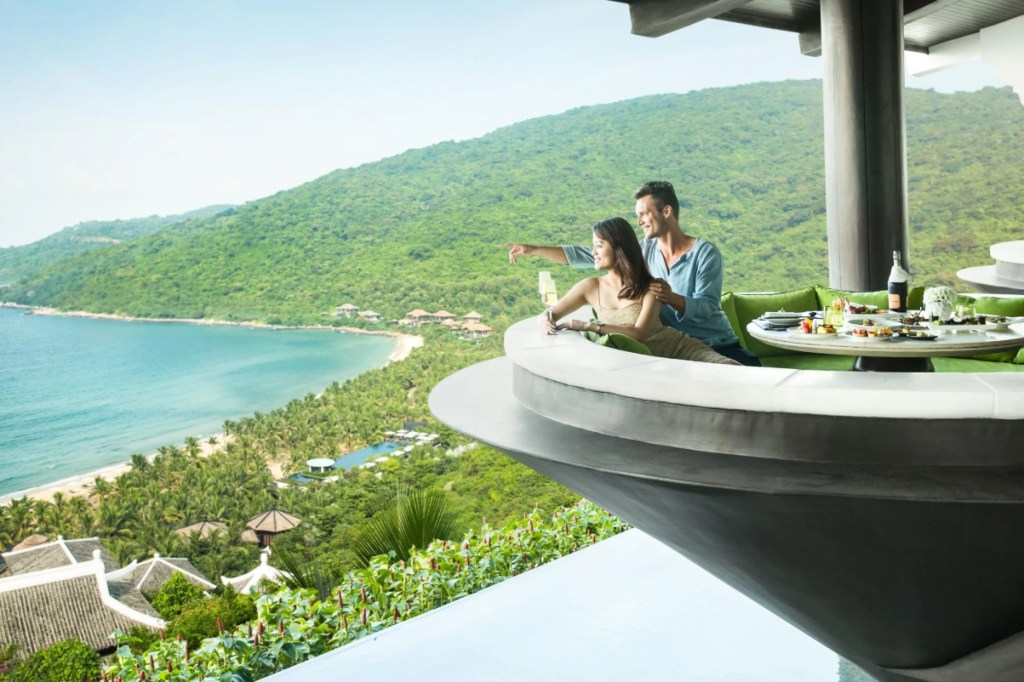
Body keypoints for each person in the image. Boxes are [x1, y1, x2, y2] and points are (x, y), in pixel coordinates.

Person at [505, 180, 760, 366]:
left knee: (748, 375)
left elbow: (706, 306)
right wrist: (534, 249)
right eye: (636, 215)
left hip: (714, 342)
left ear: (667, 211)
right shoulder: (644, 249)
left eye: (644, 214)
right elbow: (595, 254)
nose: (639, 222)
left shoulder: (706, 254)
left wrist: (671, 298)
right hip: (667, 346)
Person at [541, 217, 738, 366]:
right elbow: (551, 314)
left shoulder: (650, 287)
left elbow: (639, 334)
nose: (593, 252)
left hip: (680, 350)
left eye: (599, 245)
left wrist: (588, 326)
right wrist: (546, 320)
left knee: (731, 370)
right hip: (652, 364)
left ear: (619, 248)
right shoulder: (590, 287)